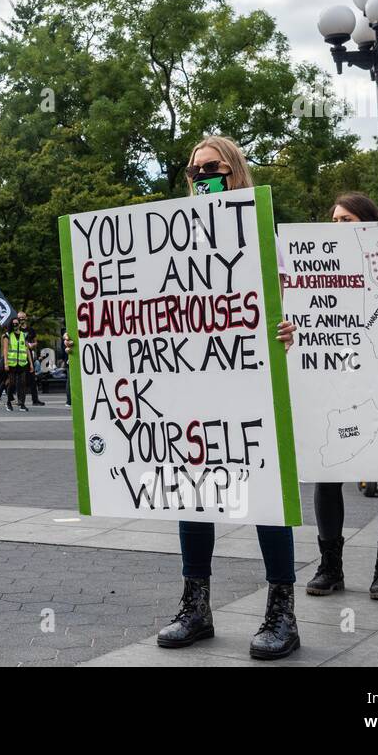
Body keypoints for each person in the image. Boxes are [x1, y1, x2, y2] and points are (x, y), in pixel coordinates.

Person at [157, 135, 299, 660]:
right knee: (193, 491)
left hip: (253, 384)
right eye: (193, 171)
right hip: (194, 385)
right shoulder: (169, 238)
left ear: (234, 169)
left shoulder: (265, 233)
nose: (200, 177)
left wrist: (292, 330)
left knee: (266, 498)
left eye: (210, 168)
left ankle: (281, 611)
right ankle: (196, 605)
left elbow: (298, 304)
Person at [278, 192, 378, 602]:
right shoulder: (314, 273)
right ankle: (330, 565)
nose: (337, 228)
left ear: (368, 225)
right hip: (331, 383)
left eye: (347, 220)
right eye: (333, 220)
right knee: (326, 472)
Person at [1, 316, 32, 413]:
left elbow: (27, 350)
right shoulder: (7, 335)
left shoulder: (24, 335)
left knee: (23, 383)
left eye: (17, 323)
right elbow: (5, 350)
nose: (15, 325)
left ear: (19, 324)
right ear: (11, 324)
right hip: (12, 363)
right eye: (13, 324)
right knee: (12, 383)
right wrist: (6, 363)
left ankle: (22, 404)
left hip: (22, 363)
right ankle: (9, 402)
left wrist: (31, 364)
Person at [17, 311, 45, 406]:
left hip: (30, 357)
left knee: (32, 379)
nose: (21, 320)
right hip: (19, 358)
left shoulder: (31, 330)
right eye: (19, 318)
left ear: (26, 318)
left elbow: (36, 342)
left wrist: (31, 345)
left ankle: (35, 400)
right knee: (20, 380)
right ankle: (20, 400)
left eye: (23, 318)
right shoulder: (16, 329)